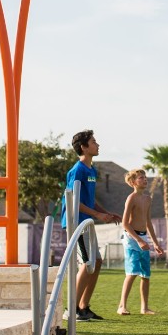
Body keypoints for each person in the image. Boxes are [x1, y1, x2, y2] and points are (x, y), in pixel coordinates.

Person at [59, 130, 121, 322]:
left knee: (97, 262)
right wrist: (97, 215)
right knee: (88, 263)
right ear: (84, 147)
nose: (98, 144)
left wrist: (105, 213)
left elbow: (89, 199)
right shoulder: (77, 170)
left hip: (87, 222)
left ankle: (83, 307)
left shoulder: (91, 170)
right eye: (94, 142)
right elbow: (73, 200)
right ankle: (72, 310)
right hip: (76, 223)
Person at [117, 168, 164, 316]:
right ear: (132, 182)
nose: (145, 179)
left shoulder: (148, 199)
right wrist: (138, 240)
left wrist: (155, 243)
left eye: (145, 177)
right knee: (132, 272)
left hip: (143, 238)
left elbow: (148, 222)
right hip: (131, 239)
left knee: (145, 275)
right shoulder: (131, 198)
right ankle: (122, 306)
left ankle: (144, 308)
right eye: (141, 178)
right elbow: (125, 223)